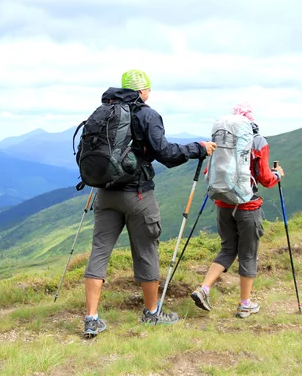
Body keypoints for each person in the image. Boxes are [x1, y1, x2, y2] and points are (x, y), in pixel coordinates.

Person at [82, 69, 217, 338]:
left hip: (106, 193)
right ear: (142, 91)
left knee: (99, 251)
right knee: (146, 250)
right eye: (148, 90)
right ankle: (152, 313)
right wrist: (198, 148)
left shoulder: (104, 111)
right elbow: (165, 153)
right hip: (138, 195)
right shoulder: (147, 114)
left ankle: (91, 318)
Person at [190, 101, 284, 318]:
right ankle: (245, 304)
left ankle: (203, 289)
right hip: (247, 206)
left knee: (227, 249)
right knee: (248, 254)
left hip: (223, 202)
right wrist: (278, 174)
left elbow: (210, 169)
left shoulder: (222, 137)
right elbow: (265, 178)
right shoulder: (257, 140)